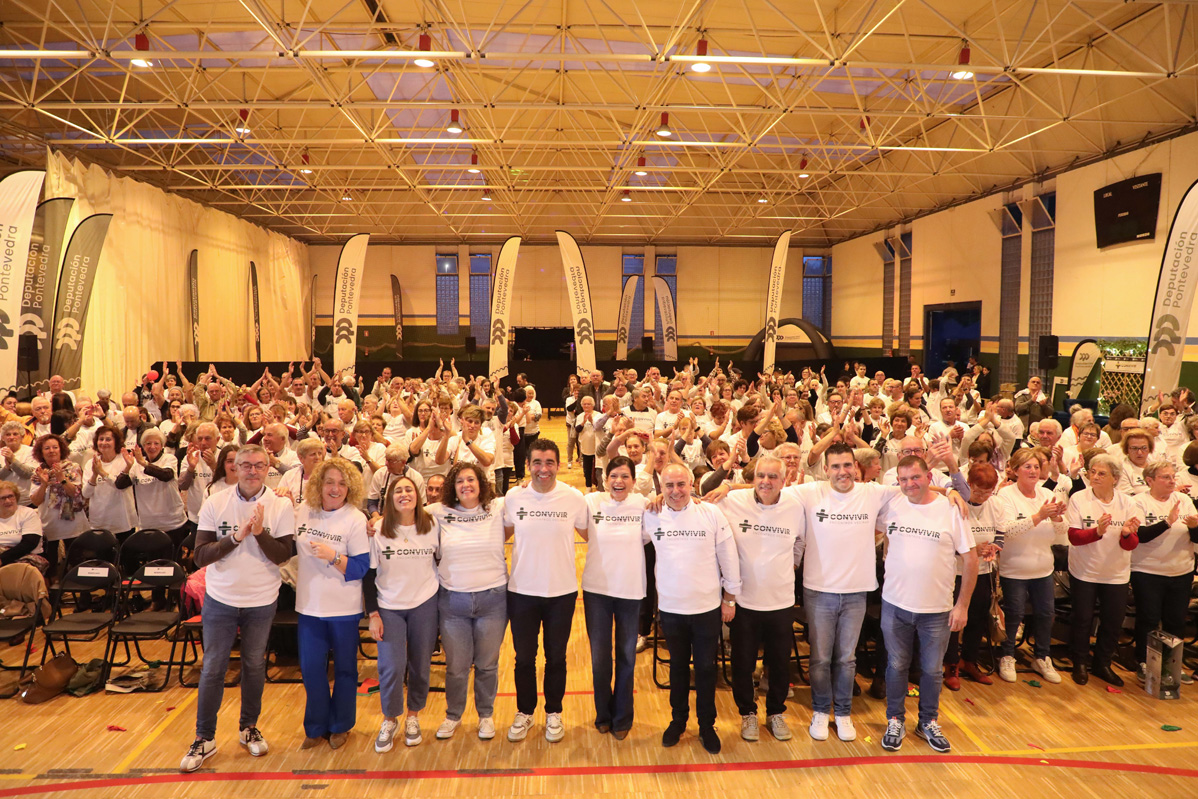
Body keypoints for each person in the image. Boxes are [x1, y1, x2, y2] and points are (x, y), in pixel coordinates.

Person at [180, 445, 296, 773]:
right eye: (245, 465)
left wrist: (258, 533)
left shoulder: (281, 504)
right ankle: (204, 737)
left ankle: (249, 728)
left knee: (254, 665)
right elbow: (200, 556)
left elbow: (282, 556)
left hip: (262, 600)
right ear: (235, 467)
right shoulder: (215, 501)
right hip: (221, 599)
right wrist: (235, 538)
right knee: (213, 667)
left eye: (259, 465)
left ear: (268, 468)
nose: (252, 471)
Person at [786, 442, 901, 743]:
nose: (842, 471)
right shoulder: (810, 492)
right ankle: (820, 710)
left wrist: (951, 492)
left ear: (855, 467)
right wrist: (727, 486)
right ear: (826, 469)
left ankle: (843, 713)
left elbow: (915, 488)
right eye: (835, 466)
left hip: (856, 593)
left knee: (847, 659)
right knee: (821, 658)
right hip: (818, 591)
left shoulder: (872, 492)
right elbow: (766, 490)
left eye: (847, 465)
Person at [877, 456, 978, 753]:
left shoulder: (951, 509)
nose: (909, 484)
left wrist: (962, 606)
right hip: (894, 605)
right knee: (896, 665)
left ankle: (928, 722)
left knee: (933, 671)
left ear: (929, 476)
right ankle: (895, 719)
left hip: (937, 610)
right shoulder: (892, 504)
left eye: (915, 477)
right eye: (903, 479)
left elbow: (970, 560)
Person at [642, 463, 741, 755]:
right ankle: (678, 720)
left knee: (706, 669)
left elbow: (728, 556)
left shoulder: (710, 513)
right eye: (669, 486)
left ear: (691, 485)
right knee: (677, 668)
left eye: (681, 484)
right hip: (671, 608)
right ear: (661, 488)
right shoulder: (651, 515)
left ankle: (707, 725)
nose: (675, 491)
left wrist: (730, 598)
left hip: (706, 608)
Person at [503, 438, 588, 743]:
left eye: (549, 462)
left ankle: (554, 712)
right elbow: (497, 534)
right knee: (524, 659)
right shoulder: (513, 497)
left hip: (561, 593)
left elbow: (593, 534)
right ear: (527, 465)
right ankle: (525, 712)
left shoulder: (574, 498)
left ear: (559, 465)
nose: (543, 469)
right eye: (537, 462)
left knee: (556, 658)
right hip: (522, 592)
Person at [716, 455, 805, 743]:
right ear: (753, 478)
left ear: (785, 480)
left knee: (779, 663)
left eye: (773, 477)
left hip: (781, 601)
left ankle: (776, 712)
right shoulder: (733, 500)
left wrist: (792, 564)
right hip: (744, 601)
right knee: (742, 663)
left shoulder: (796, 506)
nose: (766, 482)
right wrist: (728, 485)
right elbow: (701, 496)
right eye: (760, 476)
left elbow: (800, 541)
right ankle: (748, 714)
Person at [426, 462, 508, 741]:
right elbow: (402, 515)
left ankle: (486, 715)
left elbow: (529, 494)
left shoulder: (498, 507)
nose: (466, 485)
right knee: (457, 667)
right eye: (460, 481)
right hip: (453, 602)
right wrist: (375, 520)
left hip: (493, 600)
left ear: (481, 483)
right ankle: (453, 715)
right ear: (453, 486)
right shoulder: (437, 512)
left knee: (487, 664)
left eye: (471, 479)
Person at [295, 458, 370, 749]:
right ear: (319, 484)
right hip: (309, 606)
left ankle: (341, 725)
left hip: (344, 608)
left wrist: (334, 557)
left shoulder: (355, 518)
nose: (335, 489)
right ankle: (315, 727)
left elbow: (360, 568)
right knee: (311, 669)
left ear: (350, 488)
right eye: (329, 482)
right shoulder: (304, 510)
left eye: (341, 483)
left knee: (345, 670)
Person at [365, 476, 440, 752]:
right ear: (390, 498)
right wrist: (373, 613)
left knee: (420, 664)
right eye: (398, 490)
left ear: (418, 495)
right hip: (389, 606)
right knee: (391, 666)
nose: (404, 494)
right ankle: (390, 718)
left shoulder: (432, 525)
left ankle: (413, 716)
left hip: (424, 603)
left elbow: (441, 560)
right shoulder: (378, 529)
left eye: (409, 489)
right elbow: (368, 574)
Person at [580, 456, 648, 739]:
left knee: (626, 657)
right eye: (613, 476)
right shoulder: (590, 501)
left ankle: (622, 717)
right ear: (605, 479)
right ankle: (603, 714)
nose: (618, 481)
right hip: (596, 591)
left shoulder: (644, 504)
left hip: (631, 591)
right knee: (600, 659)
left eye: (624, 476)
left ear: (633, 481)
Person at [993, 448, 1067, 684]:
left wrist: (1057, 518)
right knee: (1014, 614)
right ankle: (1007, 655)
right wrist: (1039, 516)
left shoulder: (1047, 493)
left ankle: (1042, 657)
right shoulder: (1005, 495)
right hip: (1014, 569)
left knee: (1046, 614)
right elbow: (1006, 530)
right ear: (1015, 470)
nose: (1033, 470)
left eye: (1036, 466)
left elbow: (1062, 534)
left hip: (1043, 568)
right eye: (1027, 466)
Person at [1065, 454, 1140, 686]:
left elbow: (1131, 544)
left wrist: (1126, 534)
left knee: (1112, 621)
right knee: (1082, 619)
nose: (1095, 476)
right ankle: (1079, 663)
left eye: (1101, 473)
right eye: (1092, 472)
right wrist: (1097, 531)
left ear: (1115, 478)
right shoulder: (1079, 498)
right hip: (1084, 571)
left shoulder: (1127, 503)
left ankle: (1102, 663)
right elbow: (1074, 537)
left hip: (1116, 573)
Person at [1130, 460, 1198, 684]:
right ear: (1150, 480)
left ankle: (1171, 665)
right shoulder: (1138, 502)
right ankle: (1144, 662)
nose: (1171, 481)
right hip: (1147, 571)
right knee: (1148, 618)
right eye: (1165, 477)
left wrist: (1195, 527)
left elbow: (1196, 538)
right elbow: (1140, 536)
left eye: (1173, 477)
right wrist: (1167, 522)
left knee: (1176, 621)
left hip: (1181, 571)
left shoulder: (1184, 500)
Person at [943, 462, 1000, 689]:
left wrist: (994, 548)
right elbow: (946, 542)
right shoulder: (956, 504)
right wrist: (971, 551)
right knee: (954, 620)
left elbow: (1001, 533)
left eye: (988, 492)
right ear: (969, 484)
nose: (983, 496)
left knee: (977, 618)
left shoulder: (994, 504)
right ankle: (951, 664)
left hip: (984, 571)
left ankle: (970, 660)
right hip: (957, 572)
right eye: (978, 491)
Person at [29, 433, 87, 578]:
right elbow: (35, 501)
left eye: (55, 447)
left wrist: (62, 479)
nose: (51, 451)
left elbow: (76, 493)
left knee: (77, 567)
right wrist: (44, 484)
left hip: (72, 526)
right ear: (41, 452)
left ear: (61, 449)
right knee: (51, 569)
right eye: (47, 448)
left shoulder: (73, 467)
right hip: (49, 526)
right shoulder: (38, 472)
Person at [0, 479, 44, 571]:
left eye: (10, 496)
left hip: (24, 561)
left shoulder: (28, 513)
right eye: (3, 498)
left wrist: (1, 559)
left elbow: (29, 543)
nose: (8, 501)